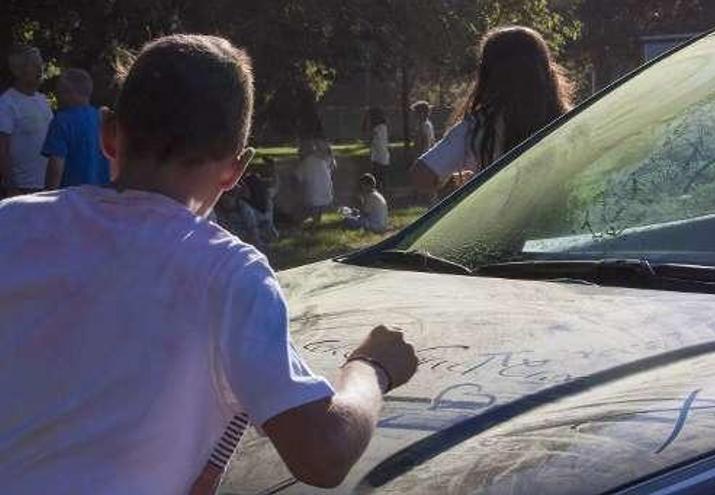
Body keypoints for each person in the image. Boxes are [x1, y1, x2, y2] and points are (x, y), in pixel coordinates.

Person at [0, 34, 418, 493]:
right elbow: (324, 454)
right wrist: (371, 368)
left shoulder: (12, 223)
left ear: (107, 134)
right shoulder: (228, 274)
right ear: (235, 170)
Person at [410, 26, 573, 193]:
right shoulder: (569, 121)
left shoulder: (476, 128)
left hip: (498, 218)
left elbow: (421, 176)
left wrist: (457, 183)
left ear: (487, 74)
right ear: (545, 70)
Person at [42, 68, 111, 189]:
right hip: (101, 196)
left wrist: (48, 196)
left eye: (60, 92)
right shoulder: (103, 119)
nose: (57, 96)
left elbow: (56, 166)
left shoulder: (62, 121)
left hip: (72, 197)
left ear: (71, 93)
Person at [0, 45, 52, 197]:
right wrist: (11, 187)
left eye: (40, 64)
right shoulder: (7, 103)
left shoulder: (42, 100)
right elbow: (2, 149)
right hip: (22, 189)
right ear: (17, 70)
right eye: (34, 65)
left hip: (48, 187)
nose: (40, 69)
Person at [295, 122, 336, 226]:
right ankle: (315, 217)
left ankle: (308, 217)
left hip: (313, 199)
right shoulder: (324, 159)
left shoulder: (306, 162)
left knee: (301, 187)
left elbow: (297, 179)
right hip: (327, 197)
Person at [366, 107, 390, 192]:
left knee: (378, 177)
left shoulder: (377, 128)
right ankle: (384, 192)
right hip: (383, 155)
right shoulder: (384, 127)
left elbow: (368, 136)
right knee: (382, 178)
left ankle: (381, 192)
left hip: (379, 156)